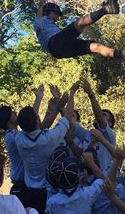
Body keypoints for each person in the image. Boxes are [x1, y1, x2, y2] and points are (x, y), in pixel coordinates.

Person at [34, 0, 125, 64]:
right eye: (56, 13)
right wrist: (41, 5)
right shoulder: (41, 22)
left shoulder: (52, 27)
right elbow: (39, 17)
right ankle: (107, 9)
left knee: (95, 47)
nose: (57, 17)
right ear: (47, 12)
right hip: (54, 44)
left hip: (60, 49)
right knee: (80, 23)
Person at [14, 83, 78, 213]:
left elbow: (37, 123)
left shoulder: (19, 139)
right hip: (47, 191)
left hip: (28, 190)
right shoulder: (49, 138)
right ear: (37, 120)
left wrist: (39, 98)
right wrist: (71, 95)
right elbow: (67, 118)